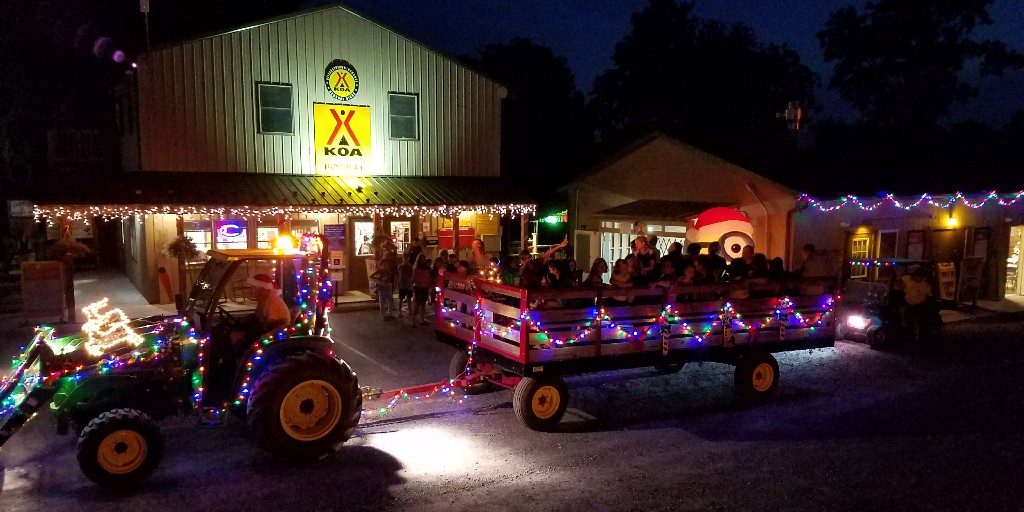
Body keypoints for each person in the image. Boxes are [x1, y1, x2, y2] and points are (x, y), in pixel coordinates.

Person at [899, 265, 936, 341]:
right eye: (915, 276)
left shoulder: (925, 284)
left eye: (918, 276)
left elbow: (929, 295)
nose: (916, 278)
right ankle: (908, 336)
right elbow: (900, 280)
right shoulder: (909, 280)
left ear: (921, 276)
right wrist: (901, 286)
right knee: (907, 321)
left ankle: (921, 337)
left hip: (919, 305)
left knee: (920, 321)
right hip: (908, 304)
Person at [369, 252, 398, 320]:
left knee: (390, 300)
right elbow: (372, 276)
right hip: (382, 286)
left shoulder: (389, 270)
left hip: (387, 286)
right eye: (384, 263)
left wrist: (392, 285)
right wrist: (379, 280)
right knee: (383, 300)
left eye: (387, 263)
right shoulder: (380, 270)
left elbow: (391, 278)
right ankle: (384, 314)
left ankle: (390, 313)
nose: (386, 264)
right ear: (382, 264)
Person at [411, 253, 432, 326]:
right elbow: (413, 278)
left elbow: (429, 277)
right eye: (421, 259)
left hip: (425, 287)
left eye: (424, 259)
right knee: (417, 304)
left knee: (423, 304)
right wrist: (419, 284)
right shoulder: (416, 268)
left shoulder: (427, 267)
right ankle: (413, 321)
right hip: (418, 288)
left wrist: (428, 284)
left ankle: (421, 320)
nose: (423, 260)